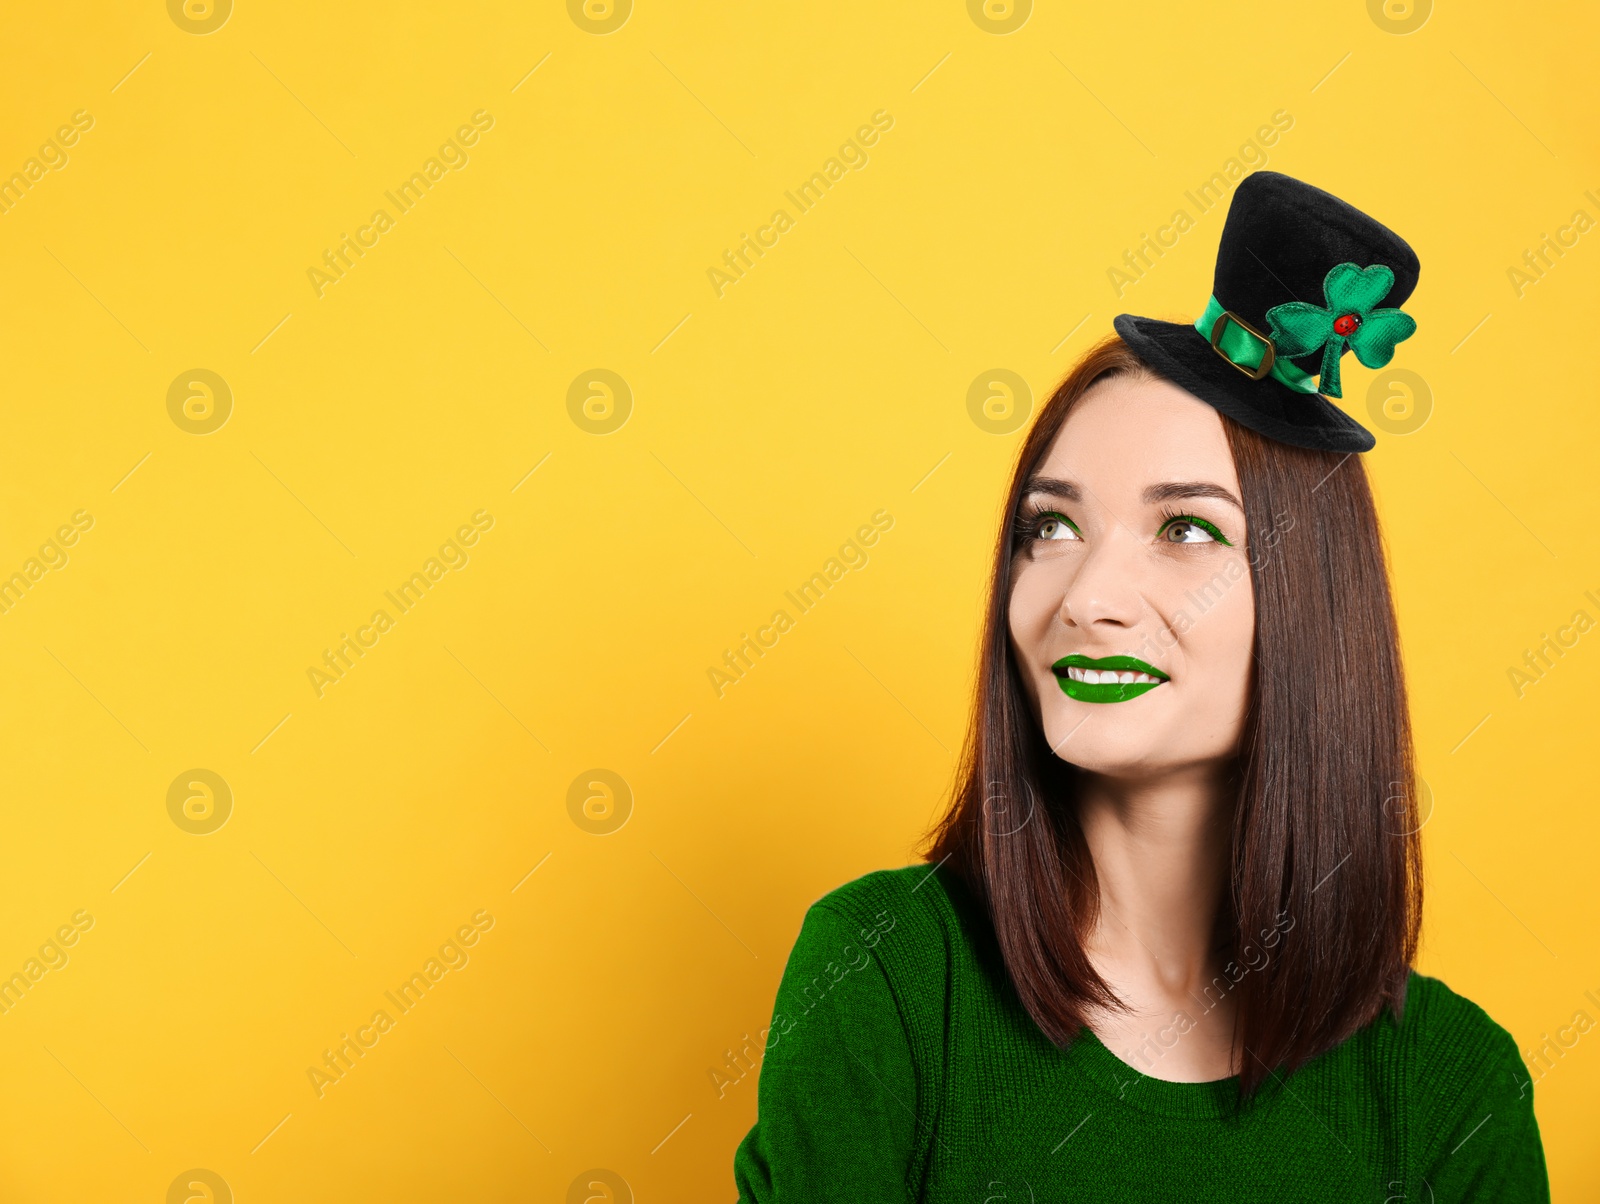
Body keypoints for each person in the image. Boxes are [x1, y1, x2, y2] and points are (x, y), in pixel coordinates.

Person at [731, 172, 1550, 1202]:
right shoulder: (883, 978)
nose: (1088, 595)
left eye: (1186, 530)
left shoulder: (1449, 1087)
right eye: (1052, 526)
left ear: (1309, 603)